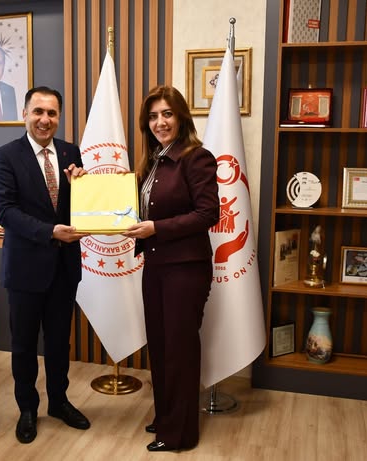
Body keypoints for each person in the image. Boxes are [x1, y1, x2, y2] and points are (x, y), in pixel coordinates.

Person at [0, 86, 90, 445]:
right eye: (38, 111)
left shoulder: (70, 152)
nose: (45, 119)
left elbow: (79, 206)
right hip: (25, 269)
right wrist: (50, 232)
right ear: (25, 114)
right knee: (24, 345)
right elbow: (5, 211)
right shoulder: (5, 156)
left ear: (59, 116)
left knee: (60, 343)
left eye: (52, 113)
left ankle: (59, 402)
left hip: (64, 268)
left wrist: (82, 186)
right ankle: (27, 409)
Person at [123, 85, 219, 452]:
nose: (160, 122)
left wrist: (156, 228)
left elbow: (208, 213)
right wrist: (84, 184)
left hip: (186, 270)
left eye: (167, 114)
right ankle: (166, 418)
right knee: (161, 347)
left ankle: (180, 434)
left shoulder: (196, 158)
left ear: (181, 117)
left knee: (180, 350)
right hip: (156, 266)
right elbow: (132, 206)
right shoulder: (153, 162)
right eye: (153, 116)